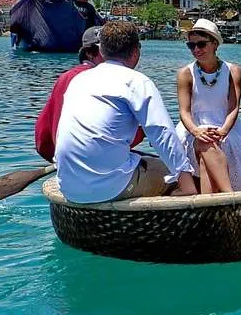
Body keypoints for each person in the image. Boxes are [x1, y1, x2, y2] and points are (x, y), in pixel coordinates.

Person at [55, 21, 198, 202]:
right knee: (174, 174)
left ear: (102, 51)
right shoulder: (136, 81)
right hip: (111, 188)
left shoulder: (78, 80)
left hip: (69, 186)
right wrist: (187, 184)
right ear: (136, 51)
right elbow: (162, 133)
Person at [34, 25, 142, 162]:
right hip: (98, 164)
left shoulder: (65, 77)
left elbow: (43, 136)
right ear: (90, 53)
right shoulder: (109, 79)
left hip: (66, 162)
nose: (113, 55)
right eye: (106, 51)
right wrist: (143, 132)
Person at [176, 18, 241, 193]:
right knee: (205, 143)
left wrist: (223, 131)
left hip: (226, 127)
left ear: (215, 44)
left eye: (201, 44)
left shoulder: (234, 71)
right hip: (193, 128)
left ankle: (209, 204)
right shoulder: (185, 74)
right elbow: (184, 111)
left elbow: (234, 107)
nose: (196, 50)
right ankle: (229, 197)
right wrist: (196, 131)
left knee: (206, 154)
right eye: (191, 46)